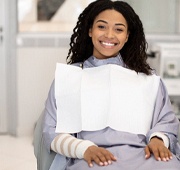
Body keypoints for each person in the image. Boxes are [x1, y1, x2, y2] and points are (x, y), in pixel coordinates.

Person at [42, 0, 180, 169]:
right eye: (102, 27)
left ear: (127, 36)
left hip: (144, 154)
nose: (109, 35)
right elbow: (52, 130)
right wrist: (85, 149)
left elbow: (166, 120)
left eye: (119, 29)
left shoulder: (147, 79)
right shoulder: (69, 78)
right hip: (91, 156)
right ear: (90, 30)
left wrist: (158, 140)